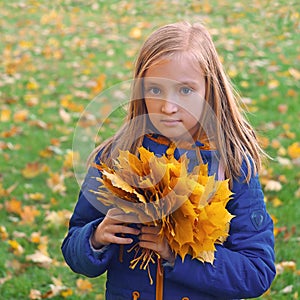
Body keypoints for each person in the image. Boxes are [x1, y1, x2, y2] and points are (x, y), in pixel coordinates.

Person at [61, 21, 276, 299]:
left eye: (185, 91)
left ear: (210, 89)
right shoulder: (115, 156)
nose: (168, 107)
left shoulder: (232, 165)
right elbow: (73, 248)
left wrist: (179, 255)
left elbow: (257, 271)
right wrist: (96, 237)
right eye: (155, 90)